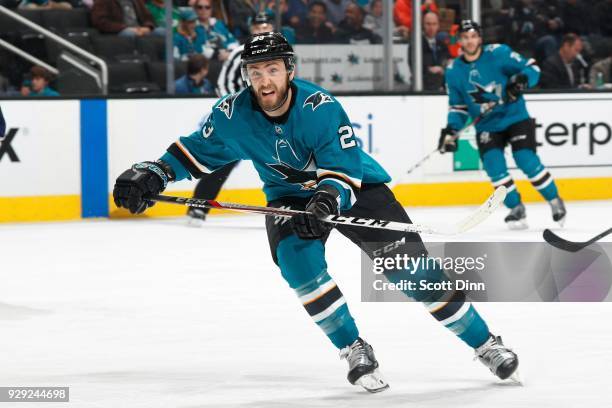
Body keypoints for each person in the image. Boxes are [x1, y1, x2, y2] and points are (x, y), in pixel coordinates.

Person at [113, 32, 520, 392]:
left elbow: (342, 172)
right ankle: (353, 348)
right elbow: (191, 153)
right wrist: (153, 173)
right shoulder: (231, 114)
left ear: (289, 70)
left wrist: (324, 202)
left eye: (272, 69)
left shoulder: (320, 107)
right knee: (298, 266)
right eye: (255, 72)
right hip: (288, 199)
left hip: (356, 188)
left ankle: (485, 343)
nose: (264, 81)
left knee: (412, 272)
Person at [440, 20, 566, 229]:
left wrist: (522, 80)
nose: (469, 41)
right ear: (459, 40)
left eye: (473, 36)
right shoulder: (454, 70)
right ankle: (516, 207)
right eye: (465, 37)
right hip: (487, 125)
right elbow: (458, 106)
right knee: (494, 167)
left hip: (514, 115)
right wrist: (452, 129)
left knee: (526, 159)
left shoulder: (499, 53)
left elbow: (531, 67)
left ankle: (554, 200)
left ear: (480, 38)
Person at [187, 11, 276, 223]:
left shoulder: (280, 54)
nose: (262, 31)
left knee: (281, 162)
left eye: (265, 27)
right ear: (251, 29)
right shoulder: (240, 53)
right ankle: (199, 205)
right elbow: (223, 84)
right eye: (257, 27)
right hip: (242, 119)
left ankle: (284, 207)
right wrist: (240, 110)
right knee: (223, 161)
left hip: (271, 119)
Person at [91, 0, 156, 37]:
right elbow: (100, 22)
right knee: (129, 34)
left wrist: (148, 27)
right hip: (119, 31)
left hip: (140, 29)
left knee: (162, 32)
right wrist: (125, 28)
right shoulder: (102, 1)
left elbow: (148, 16)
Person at [420, 11, 450, 91]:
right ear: (423, 25)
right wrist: (429, 69)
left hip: (441, 86)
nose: (431, 27)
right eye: (428, 24)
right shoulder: (417, 44)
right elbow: (414, 66)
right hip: (422, 87)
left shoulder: (442, 45)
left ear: (438, 26)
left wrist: (443, 68)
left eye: (434, 24)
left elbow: (447, 60)